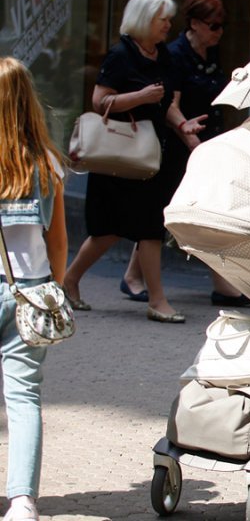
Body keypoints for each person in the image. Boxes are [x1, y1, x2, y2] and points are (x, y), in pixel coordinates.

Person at [63, 0, 206, 324]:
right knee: (110, 232)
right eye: (163, 20)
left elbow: (167, 103)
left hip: (148, 156)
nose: (168, 26)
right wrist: (139, 97)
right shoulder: (120, 55)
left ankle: (155, 299)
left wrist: (183, 125)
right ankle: (71, 282)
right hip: (119, 157)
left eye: (169, 20)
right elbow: (100, 101)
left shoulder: (162, 56)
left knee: (149, 229)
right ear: (144, 19)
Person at [120, 0, 250, 308]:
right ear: (193, 23)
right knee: (191, 213)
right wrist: (189, 138)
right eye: (213, 25)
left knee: (173, 214)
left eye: (223, 26)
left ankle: (132, 276)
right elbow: (171, 104)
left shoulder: (209, 55)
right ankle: (221, 282)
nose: (219, 32)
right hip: (181, 149)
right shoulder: (176, 55)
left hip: (204, 144)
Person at [0, 57, 68, 521]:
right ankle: (22, 500)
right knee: (24, 398)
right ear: (30, 105)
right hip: (29, 293)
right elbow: (59, 241)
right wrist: (54, 289)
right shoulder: (47, 164)